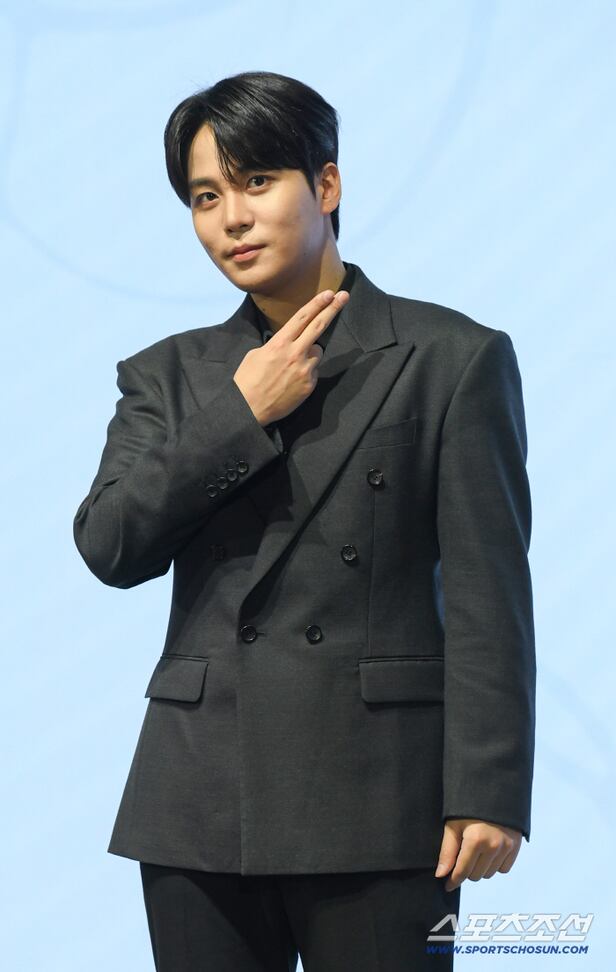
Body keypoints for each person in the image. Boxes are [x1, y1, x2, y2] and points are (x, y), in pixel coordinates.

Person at [73, 70, 536, 972]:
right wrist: (239, 415)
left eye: (256, 182)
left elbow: (491, 594)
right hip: (201, 799)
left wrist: (488, 788)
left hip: (382, 796)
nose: (232, 219)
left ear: (325, 185)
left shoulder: (451, 358)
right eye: (206, 197)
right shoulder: (167, 375)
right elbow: (109, 545)